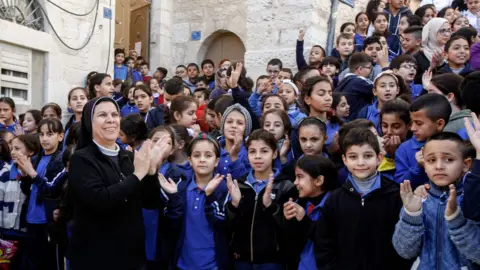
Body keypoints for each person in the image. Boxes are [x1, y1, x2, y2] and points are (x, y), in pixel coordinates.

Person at [67, 97, 162, 270]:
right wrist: (138, 174)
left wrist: (151, 172)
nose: (111, 119)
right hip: (96, 257)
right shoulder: (81, 159)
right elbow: (101, 201)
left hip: (131, 257)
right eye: (102, 115)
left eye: (114, 114)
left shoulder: (129, 157)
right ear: (89, 122)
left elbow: (151, 202)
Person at [313, 128, 413, 270]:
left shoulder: (396, 195)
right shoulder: (335, 199)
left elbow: (406, 241)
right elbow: (324, 244)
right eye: (353, 157)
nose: (360, 163)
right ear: (344, 160)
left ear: (379, 158)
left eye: (367, 156)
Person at [392, 132, 476, 269]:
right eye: (431, 160)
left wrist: (457, 221)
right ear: (424, 165)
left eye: (448, 160)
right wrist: (411, 214)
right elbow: (404, 251)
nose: (439, 166)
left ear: (466, 164)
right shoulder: (419, 198)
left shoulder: (473, 200)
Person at [227, 129, 296, 270]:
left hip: (273, 261)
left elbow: (290, 227)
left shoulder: (285, 185)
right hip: (241, 259)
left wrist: (270, 206)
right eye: (252, 152)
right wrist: (234, 205)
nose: (258, 157)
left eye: (264, 151)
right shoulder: (239, 184)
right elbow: (229, 225)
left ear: (274, 153)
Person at [159, 134, 229, 270]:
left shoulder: (224, 188)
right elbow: (170, 225)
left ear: (216, 161)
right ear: (190, 160)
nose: (202, 160)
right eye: (197, 155)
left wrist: (210, 196)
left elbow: (222, 224)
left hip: (213, 265)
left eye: (208, 155)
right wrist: (173, 197)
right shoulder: (180, 188)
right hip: (182, 264)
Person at [279, 155, 338, 269]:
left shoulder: (335, 205)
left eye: (300, 177)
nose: (295, 182)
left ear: (319, 180)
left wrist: (304, 220)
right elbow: (290, 244)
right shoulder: (299, 203)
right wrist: (288, 220)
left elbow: (328, 240)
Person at [394, 93, 451, 189]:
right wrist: (417, 167)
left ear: (439, 124)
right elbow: (399, 184)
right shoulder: (404, 149)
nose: (412, 128)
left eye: (419, 123)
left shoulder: (453, 146)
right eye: (412, 122)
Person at [0, 134, 40, 270]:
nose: (13, 152)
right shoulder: (5, 174)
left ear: (31, 152)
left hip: (26, 231)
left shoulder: (36, 174)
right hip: (6, 232)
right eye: (11, 148)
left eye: (17, 148)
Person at [379, 99, 412, 179]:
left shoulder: (415, 149)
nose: (389, 132)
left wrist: (395, 155)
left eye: (396, 127)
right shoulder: (376, 148)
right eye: (385, 126)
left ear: (409, 125)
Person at [335, 52, 374, 121]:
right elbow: (379, 88)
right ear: (360, 69)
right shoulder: (359, 82)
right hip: (355, 123)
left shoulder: (344, 81)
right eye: (369, 68)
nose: (371, 71)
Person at [413, 18, 452, 84]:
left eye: (448, 30)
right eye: (442, 31)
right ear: (432, 32)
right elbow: (415, 80)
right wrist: (432, 68)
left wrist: (442, 64)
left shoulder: (452, 51)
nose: (447, 34)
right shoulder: (419, 56)